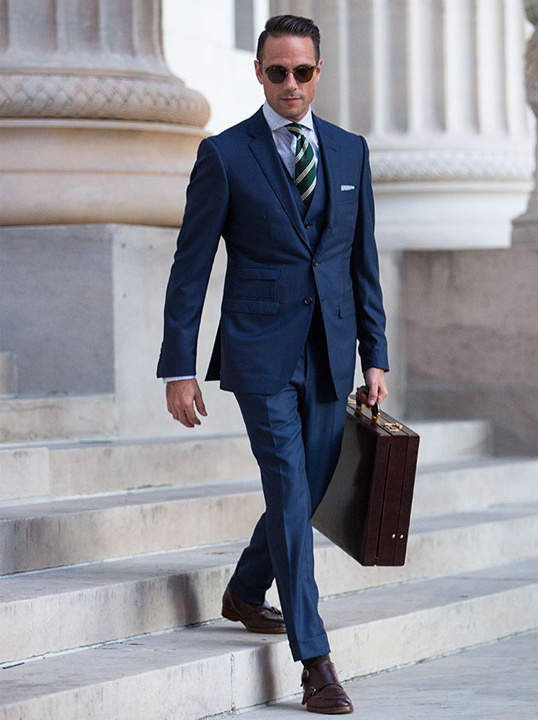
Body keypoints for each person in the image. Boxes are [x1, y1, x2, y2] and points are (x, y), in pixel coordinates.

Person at [157, 15, 388, 714]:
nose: (290, 84)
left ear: (318, 72)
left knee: (310, 493)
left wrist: (375, 355)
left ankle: (243, 590)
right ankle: (315, 661)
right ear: (258, 73)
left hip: (330, 351)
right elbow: (190, 269)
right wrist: (178, 366)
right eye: (277, 71)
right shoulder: (224, 155)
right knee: (290, 490)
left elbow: (361, 261)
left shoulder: (348, 152)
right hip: (259, 354)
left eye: (303, 71)